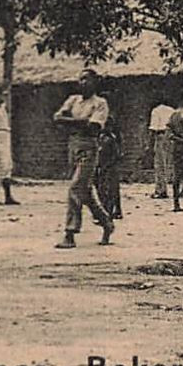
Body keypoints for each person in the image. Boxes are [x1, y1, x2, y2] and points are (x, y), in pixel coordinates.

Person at [52, 70, 114, 248]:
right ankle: (106, 223)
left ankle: (70, 233)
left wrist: (69, 121)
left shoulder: (100, 103)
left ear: (95, 83)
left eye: (87, 79)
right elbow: (57, 117)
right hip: (73, 146)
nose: (83, 82)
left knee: (75, 188)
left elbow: (94, 127)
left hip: (89, 147)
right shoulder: (73, 100)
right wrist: (81, 122)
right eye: (80, 79)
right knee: (84, 193)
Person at [95, 104, 124, 220]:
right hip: (105, 164)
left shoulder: (109, 138)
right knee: (109, 188)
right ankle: (113, 210)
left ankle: (109, 211)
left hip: (109, 165)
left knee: (109, 189)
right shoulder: (104, 137)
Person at [147, 98, 175, 199]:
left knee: (159, 164)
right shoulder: (172, 110)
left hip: (161, 136)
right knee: (170, 163)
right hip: (171, 137)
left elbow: (153, 129)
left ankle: (161, 190)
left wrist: (149, 145)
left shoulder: (156, 111)